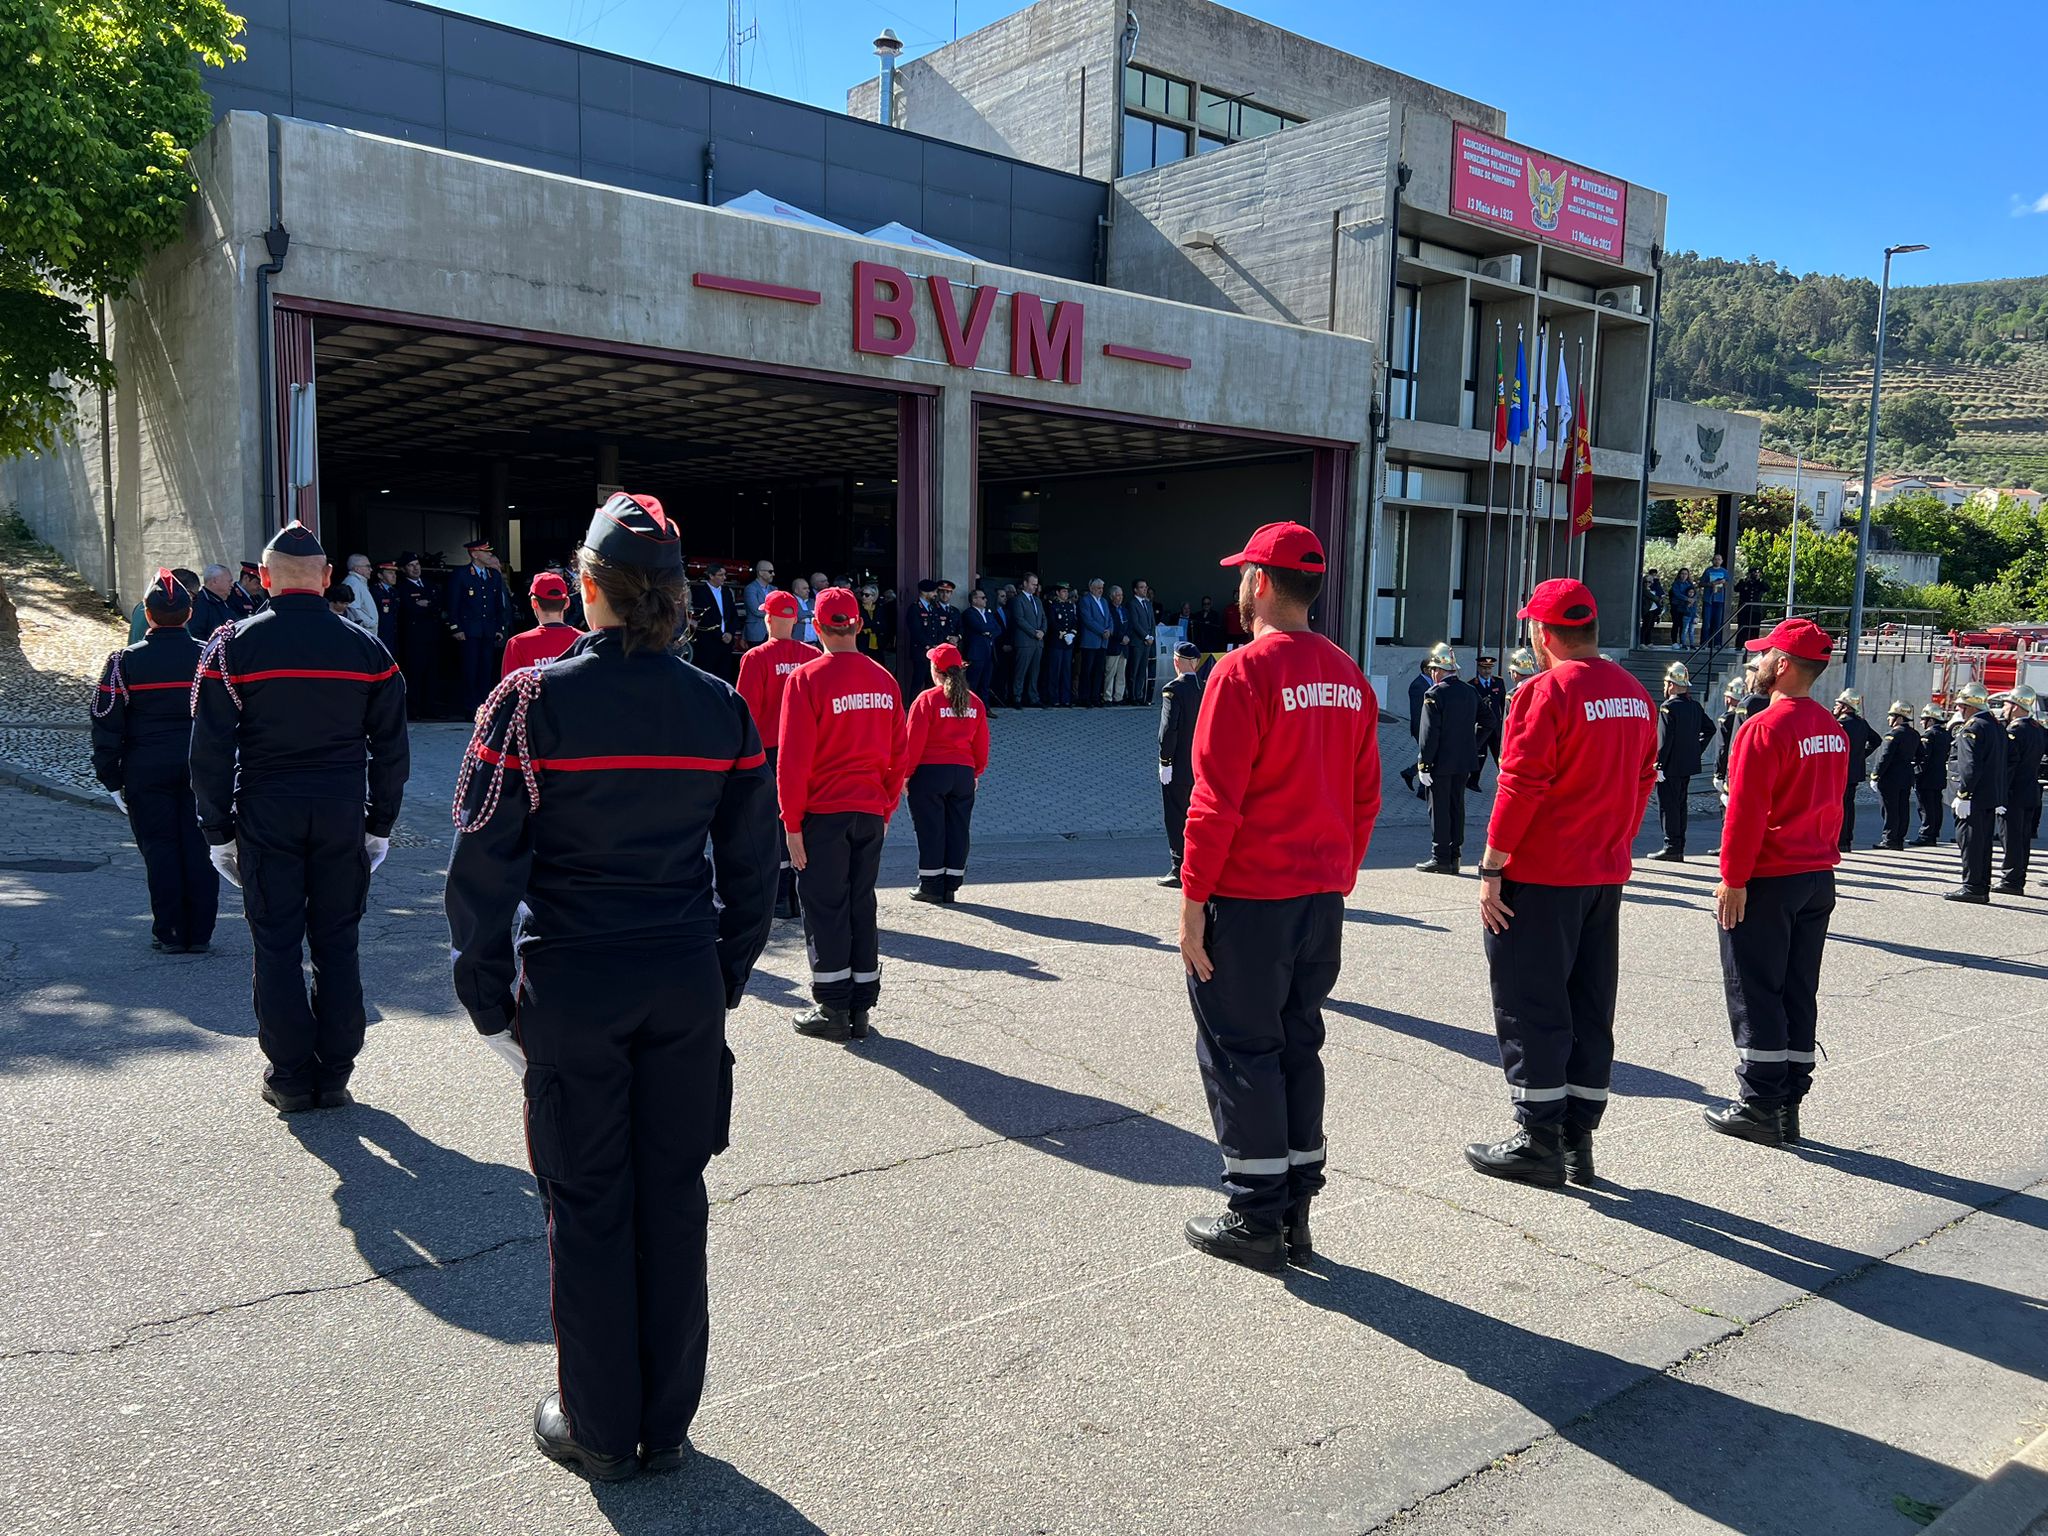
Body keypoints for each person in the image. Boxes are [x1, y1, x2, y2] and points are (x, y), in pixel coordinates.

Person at [445, 490, 775, 1482]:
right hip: (678, 979)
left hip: (574, 983)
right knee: (673, 1198)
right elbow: (754, 871)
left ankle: (598, 1424)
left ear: (588, 588)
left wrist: (486, 996)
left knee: (586, 1206)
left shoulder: (530, 701)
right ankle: (664, 1425)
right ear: (672, 595)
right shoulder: (720, 706)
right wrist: (721, 974)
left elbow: (478, 870)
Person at [1177, 522, 1380, 1271]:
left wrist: (1193, 901)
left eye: (1243, 574)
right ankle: (1294, 1209)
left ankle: (1255, 1216)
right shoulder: (1349, 676)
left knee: (1242, 1050)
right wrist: (1337, 874)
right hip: (1318, 898)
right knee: (1299, 1042)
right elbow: (1365, 799)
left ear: (1260, 583)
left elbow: (1213, 803)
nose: (1239, 586)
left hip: (1251, 896)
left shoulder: (1241, 673)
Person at [190, 520, 409, 1113]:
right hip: (341, 809)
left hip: (266, 808)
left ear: (262, 579)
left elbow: (209, 751)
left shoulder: (231, 646)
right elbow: (392, 749)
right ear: (327, 579)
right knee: (338, 940)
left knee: (277, 942)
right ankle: (335, 1072)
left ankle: (289, 1076)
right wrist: (379, 824)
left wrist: (217, 832)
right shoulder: (369, 649)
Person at [1466, 578, 1657, 1190]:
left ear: (1542, 634)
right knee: (1588, 1004)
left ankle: (1536, 1140)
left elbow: (1520, 785)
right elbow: (1642, 782)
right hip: (1602, 874)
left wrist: (1493, 866)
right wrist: (1617, 843)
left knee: (1532, 1005)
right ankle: (1578, 1140)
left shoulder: (1542, 693)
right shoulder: (1634, 693)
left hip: (1543, 876)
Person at [1705, 617, 1847, 1148]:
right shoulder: (1831, 728)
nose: (1756, 663)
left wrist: (1732, 879)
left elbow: (1744, 814)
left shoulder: (1762, 727)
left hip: (1768, 877)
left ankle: (1759, 1104)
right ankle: (1788, 1102)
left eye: (1763, 655)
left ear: (1783, 665)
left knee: (1755, 989)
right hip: (1815, 874)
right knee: (1796, 989)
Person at [777, 586, 907, 1041]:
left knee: (825, 907)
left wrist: (791, 824)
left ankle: (832, 1008)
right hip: (869, 810)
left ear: (816, 627)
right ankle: (861, 1008)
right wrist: (886, 807)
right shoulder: (885, 681)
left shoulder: (807, 679)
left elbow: (793, 760)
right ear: (858, 625)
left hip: (823, 813)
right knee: (860, 902)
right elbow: (900, 754)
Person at [90, 570, 219, 954]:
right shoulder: (208, 657)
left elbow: (106, 721)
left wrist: (110, 777)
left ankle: (171, 931)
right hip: (201, 764)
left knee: (159, 847)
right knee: (201, 847)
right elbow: (230, 714)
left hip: (146, 765)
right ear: (189, 610)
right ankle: (200, 932)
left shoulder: (124, 661)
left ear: (147, 614)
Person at [737, 589, 816, 921]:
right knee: (805, 820)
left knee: (775, 824)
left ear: (768, 618)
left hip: (769, 752)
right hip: (809, 751)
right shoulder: (813, 656)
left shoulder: (755, 659)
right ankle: (806, 895)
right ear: (796, 619)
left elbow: (745, 715)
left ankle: (781, 897)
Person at [903, 642, 990, 905]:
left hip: (929, 773)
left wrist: (905, 774)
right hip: (962, 773)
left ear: (936, 670)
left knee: (931, 829)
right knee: (958, 828)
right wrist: (976, 772)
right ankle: (951, 883)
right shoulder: (974, 702)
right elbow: (982, 744)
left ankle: (931, 884)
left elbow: (913, 742)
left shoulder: (927, 700)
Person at [1415, 643, 1478, 875]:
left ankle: (1440, 856)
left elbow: (1429, 733)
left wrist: (1424, 764)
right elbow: (1489, 720)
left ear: (1437, 670)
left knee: (1439, 809)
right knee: (1456, 806)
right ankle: (1455, 856)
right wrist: (1473, 745)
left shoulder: (1434, 694)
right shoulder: (1470, 691)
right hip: (1463, 762)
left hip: (1440, 763)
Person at [1944, 680, 2004, 904]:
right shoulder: (1995, 725)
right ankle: (1980, 885)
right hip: (1989, 795)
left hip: (1975, 796)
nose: (1959, 709)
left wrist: (1963, 795)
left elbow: (1969, 765)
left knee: (1970, 842)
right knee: (1983, 843)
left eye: (1961, 706)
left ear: (1970, 706)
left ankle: (1972, 886)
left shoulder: (1973, 727)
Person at [1650, 662, 1714, 862]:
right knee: (1680, 806)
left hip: (1669, 766)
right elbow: (1709, 729)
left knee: (1668, 806)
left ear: (1671, 685)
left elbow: (1664, 739)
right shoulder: (1693, 706)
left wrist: (1658, 764)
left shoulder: (1668, 707)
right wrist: (1695, 750)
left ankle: (1671, 847)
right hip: (1686, 765)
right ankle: (1679, 845)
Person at [1156, 640, 1204, 889]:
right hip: (1200, 768)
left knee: (1175, 816)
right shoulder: (1203, 689)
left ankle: (1179, 868)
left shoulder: (1172, 690)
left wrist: (1165, 761)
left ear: (1176, 662)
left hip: (1178, 767)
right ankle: (1197, 865)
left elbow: (1168, 730)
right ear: (1195, 663)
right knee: (1195, 817)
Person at [446, 538, 513, 715]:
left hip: (488, 629)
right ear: (475, 554)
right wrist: (456, 627)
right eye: (485, 551)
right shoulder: (461, 574)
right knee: (470, 669)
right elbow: (453, 604)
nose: (489, 554)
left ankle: (485, 705)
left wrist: (500, 628)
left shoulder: (494, 575)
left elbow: (499, 605)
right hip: (469, 631)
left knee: (485, 668)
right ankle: (470, 707)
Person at [1992, 684, 2045, 895]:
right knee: (2022, 839)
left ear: (2015, 706)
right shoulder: (2037, 728)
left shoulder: (2015, 730)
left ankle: (2010, 880)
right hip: (2031, 790)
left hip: (2014, 793)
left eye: (2006, 704)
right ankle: (2018, 876)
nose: (2004, 708)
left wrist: (2000, 794)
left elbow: (2008, 766)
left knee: (2011, 837)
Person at [393, 553, 444, 719]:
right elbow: (409, 610)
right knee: (415, 674)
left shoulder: (429, 584)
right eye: (410, 565)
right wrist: (426, 606)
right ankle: (414, 710)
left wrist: (427, 605)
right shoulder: (401, 587)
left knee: (432, 674)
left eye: (417, 564)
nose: (416, 568)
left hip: (432, 636)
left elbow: (439, 605)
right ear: (403, 569)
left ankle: (431, 708)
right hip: (413, 638)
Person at [501, 572, 582, 675]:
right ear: (567, 603)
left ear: (534, 603)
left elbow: (509, 688)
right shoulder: (584, 641)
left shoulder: (517, 644)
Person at [1831, 689, 1882, 852]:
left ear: (1846, 707)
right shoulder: (1862, 723)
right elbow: (1876, 740)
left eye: (1838, 704)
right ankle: (1846, 840)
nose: (1835, 707)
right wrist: (1861, 756)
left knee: (1838, 806)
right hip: (1854, 772)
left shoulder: (1839, 724)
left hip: (1839, 771)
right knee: (1849, 806)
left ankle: (1838, 840)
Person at [1868, 701, 1922, 851]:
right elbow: (1921, 755)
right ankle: (1899, 838)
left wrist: (1875, 775)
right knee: (1902, 808)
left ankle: (1889, 839)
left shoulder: (1893, 735)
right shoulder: (1915, 734)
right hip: (1906, 777)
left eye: (1891, 716)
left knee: (1890, 809)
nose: (1888, 719)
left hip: (1890, 778)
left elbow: (1884, 757)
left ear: (1899, 718)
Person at [689, 562, 743, 682]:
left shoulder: (726, 592)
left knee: (724, 676)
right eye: (720, 575)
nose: (724, 577)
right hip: (709, 641)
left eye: (724, 574)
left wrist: (730, 632)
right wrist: (720, 634)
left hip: (726, 642)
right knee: (708, 675)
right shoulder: (699, 592)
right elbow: (704, 617)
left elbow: (733, 614)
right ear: (711, 576)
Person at [1914, 704, 1953, 846]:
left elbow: (1923, 758)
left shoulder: (1929, 735)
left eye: (1924, 719)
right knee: (1936, 806)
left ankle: (1926, 835)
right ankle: (1934, 832)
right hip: (1939, 775)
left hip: (1926, 777)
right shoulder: (1945, 734)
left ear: (1931, 720)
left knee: (1925, 807)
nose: (1921, 722)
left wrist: (1916, 773)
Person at [129, 567, 200, 643]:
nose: (192, 601)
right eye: (194, 596)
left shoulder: (141, 606)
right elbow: (184, 644)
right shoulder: (175, 612)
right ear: (185, 591)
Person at [1008, 574, 1047, 708]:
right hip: (1025, 641)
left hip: (1038, 642)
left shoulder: (1037, 600)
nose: (1035, 587)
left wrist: (1042, 631)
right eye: (1032, 584)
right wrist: (1034, 632)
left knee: (1035, 671)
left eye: (1036, 584)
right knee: (1021, 671)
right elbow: (1019, 619)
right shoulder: (1018, 600)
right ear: (1025, 583)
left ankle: (1033, 697)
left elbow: (1043, 618)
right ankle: (1017, 697)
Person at [960, 587, 1001, 712]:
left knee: (985, 683)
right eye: (982, 598)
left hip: (988, 653)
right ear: (974, 599)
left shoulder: (988, 613)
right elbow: (980, 627)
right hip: (976, 654)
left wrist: (989, 633)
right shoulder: (969, 613)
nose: (985, 600)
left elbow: (998, 629)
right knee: (973, 682)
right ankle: (968, 707)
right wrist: (987, 630)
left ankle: (985, 708)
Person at [1470, 655, 1506, 786]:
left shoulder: (1499, 682)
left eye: (1490, 668)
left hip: (1496, 727)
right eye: (1484, 668)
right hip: (1481, 727)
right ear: (1479, 668)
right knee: (1480, 755)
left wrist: (1504, 724)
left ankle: (1505, 781)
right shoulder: (1472, 685)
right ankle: (1473, 781)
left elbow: (1503, 705)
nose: (1487, 672)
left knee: (1500, 756)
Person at [1077, 578, 1112, 706]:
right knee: (1087, 670)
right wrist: (1103, 631)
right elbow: (1088, 620)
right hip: (1090, 641)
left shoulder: (1103, 601)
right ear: (1091, 588)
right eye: (1098, 588)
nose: (1100, 591)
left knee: (1099, 670)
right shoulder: (1085, 600)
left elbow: (1109, 618)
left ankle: (1095, 697)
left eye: (1102, 588)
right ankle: (1084, 698)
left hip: (1103, 642)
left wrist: (1109, 630)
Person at [1399, 656, 1431, 795]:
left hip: (1431, 727)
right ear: (1426, 670)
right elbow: (1418, 712)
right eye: (1433, 668)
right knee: (1429, 755)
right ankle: (1421, 788)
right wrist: (1422, 730)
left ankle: (1410, 773)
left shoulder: (1432, 682)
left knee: (1428, 755)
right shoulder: (1418, 685)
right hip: (1422, 727)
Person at [1044, 581, 1078, 707]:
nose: (1066, 594)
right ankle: (1054, 698)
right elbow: (1052, 622)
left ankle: (1066, 698)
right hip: (1057, 642)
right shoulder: (1053, 605)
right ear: (1058, 593)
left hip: (1068, 644)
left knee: (1066, 671)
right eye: (1063, 591)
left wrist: (1072, 633)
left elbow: (1074, 621)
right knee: (1055, 671)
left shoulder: (1069, 605)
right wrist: (1063, 634)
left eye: (1066, 591)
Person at [188, 564, 238, 642]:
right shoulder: (200, 604)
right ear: (215, 581)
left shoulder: (226, 600)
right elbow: (197, 635)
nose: (232, 585)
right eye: (229, 581)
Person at [1128, 580, 1158, 706]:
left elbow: (1152, 622)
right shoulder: (1132, 603)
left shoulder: (1148, 603)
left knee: (1142, 670)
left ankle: (1140, 695)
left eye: (1145, 587)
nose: (1144, 590)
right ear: (1135, 590)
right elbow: (1135, 623)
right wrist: (1145, 636)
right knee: (1133, 670)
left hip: (1147, 642)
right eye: (1141, 587)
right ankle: (1132, 696)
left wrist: (1150, 636)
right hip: (1137, 642)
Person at [742, 559, 777, 647]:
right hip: (756, 634)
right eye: (770, 571)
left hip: (772, 633)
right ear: (760, 573)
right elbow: (756, 610)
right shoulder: (750, 588)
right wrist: (775, 612)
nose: (773, 574)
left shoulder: (774, 589)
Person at [342, 554, 380, 635]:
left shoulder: (359, 582)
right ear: (357, 569)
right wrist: (371, 623)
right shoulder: (353, 583)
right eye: (367, 566)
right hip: (363, 631)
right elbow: (352, 608)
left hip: (366, 631)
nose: (371, 569)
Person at [369, 559, 399, 652]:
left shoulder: (394, 591)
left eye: (394, 573)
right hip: (381, 632)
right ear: (380, 575)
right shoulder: (375, 591)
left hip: (393, 633)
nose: (394, 576)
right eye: (390, 573)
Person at [1700, 557, 1729, 647]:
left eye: (1719, 559)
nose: (1717, 561)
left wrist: (1723, 582)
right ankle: (1704, 643)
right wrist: (1709, 584)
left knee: (1717, 622)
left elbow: (1728, 584)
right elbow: (1701, 583)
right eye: (1715, 559)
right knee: (1706, 623)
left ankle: (1716, 643)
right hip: (1708, 599)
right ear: (1712, 560)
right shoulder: (1708, 571)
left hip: (1719, 599)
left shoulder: (1724, 571)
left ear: (1722, 561)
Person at [1734, 568, 1765, 645]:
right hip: (1744, 610)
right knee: (1742, 628)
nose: (1756, 575)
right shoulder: (1744, 582)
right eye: (1754, 573)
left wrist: (1759, 580)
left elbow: (1767, 588)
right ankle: (1740, 645)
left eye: (1757, 573)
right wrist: (1745, 581)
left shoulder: (1760, 583)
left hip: (1755, 610)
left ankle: (1753, 645)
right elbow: (1736, 589)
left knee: (1754, 629)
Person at [1668, 568, 1696, 649]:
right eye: (1682, 573)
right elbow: (1677, 594)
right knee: (1676, 623)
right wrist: (1687, 599)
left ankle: (1682, 642)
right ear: (1679, 574)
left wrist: (1693, 600)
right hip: (1676, 606)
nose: (1684, 575)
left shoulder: (1689, 584)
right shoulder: (1676, 584)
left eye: (1686, 574)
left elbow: (1694, 593)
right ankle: (1674, 641)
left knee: (1683, 625)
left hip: (1685, 607)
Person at [1639, 570, 1664, 647]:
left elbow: (1660, 594)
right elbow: (1654, 598)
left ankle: (1648, 641)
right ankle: (1642, 642)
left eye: (1650, 582)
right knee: (1645, 626)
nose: (1648, 584)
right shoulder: (1644, 590)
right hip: (1647, 610)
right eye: (1646, 582)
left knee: (1650, 627)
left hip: (1654, 609)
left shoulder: (1653, 588)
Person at [790, 577, 816, 645]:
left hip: (814, 643)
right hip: (798, 643)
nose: (808, 591)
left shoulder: (812, 602)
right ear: (796, 590)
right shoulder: (790, 601)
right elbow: (797, 616)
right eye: (805, 588)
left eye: (808, 588)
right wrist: (811, 616)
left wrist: (805, 619)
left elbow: (817, 616)